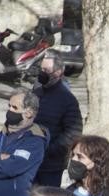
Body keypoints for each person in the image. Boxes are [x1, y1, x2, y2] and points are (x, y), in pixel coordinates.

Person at [30, 51, 82, 187]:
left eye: (46, 70)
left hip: (51, 166)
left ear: (58, 72)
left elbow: (73, 132)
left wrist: (50, 149)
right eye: (41, 69)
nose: (42, 73)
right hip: (30, 161)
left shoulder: (67, 99)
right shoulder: (35, 94)